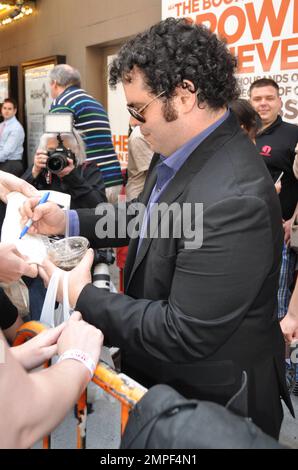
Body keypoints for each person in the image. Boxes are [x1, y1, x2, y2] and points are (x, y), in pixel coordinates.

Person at [21, 18, 293, 439]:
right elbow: (152, 219)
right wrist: (70, 219)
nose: (134, 123)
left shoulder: (234, 196)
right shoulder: (181, 153)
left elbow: (182, 331)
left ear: (184, 95)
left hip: (216, 404)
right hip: (171, 384)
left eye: (138, 109)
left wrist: (79, 294)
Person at [250, 79, 298, 319]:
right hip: (245, 231)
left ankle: (281, 353)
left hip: (280, 233)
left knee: (277, 303)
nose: (263, 104)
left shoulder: (293, 134)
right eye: (257, 99)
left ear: (280, 102)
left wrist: (294, 223)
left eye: (269, 98)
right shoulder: (242, 136)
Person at [49, 64, 123, 202]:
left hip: (90, 184)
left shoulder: (61, 102)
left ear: (54, 83)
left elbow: (56, 142)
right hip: (113, 178)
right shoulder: (94, 101)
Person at [22, 129, 107, 209]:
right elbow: (16, 197)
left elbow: (100, 207)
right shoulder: (42, 168)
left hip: (74, 223)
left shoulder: (87, 169)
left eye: (64, 151)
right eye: (52, 151)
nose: (57, 156)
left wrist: (73, 177)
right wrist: (34, 172)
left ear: (76, 151)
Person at [126, 121, 153, 200]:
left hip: (145, 192)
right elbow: (152, 171)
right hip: (138, 194)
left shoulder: (144, 133)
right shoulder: (138, 136)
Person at [0, 98, 25, 177]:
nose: (6, 111)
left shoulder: (16, 128)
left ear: (15, 111)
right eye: (4, 108)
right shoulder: (1, 125)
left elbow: (7, 151)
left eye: (9, 109)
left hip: (11, 164)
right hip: (3, 161)